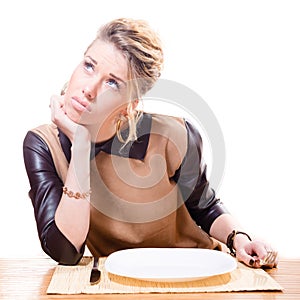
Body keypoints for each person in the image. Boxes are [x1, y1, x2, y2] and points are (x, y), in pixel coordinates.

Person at [23, 18, 277, 268]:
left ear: (130, 105)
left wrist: (239, 238)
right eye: (89, 66)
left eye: (112, 83)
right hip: (120, 282)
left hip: (197, 272)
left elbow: (205, 207)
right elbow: (65, 252)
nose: (89, 88)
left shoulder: (175, 136)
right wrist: (80, 147)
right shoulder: (43, 145)